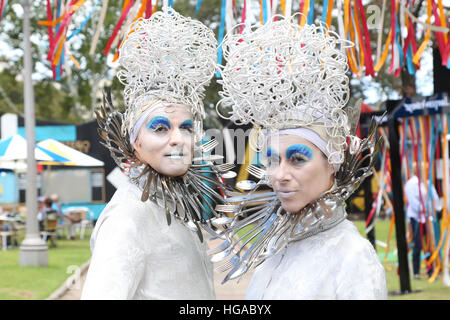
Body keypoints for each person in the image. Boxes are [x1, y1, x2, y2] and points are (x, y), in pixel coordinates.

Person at [211, 14, 387, 299]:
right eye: (271, 160)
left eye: (297, 159)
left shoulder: (353, 257)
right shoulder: (278, 245)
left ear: (332, 163)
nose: (279, 175)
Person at [81, 8, 232, 300]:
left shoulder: (180, 205)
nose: (178, 139)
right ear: (134, 141)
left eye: (186, 127)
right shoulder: (129, 216)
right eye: (160, 128)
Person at [404, 163, 440, 280]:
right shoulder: (411, 184)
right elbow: (413, 203)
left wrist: (434, 210)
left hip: (428, 218)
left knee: (430, 244)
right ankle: (416, 272)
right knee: (418, 244)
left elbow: (434, 197)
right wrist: (425, 209)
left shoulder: (427, 182)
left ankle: (431, 269)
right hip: (416, 218)